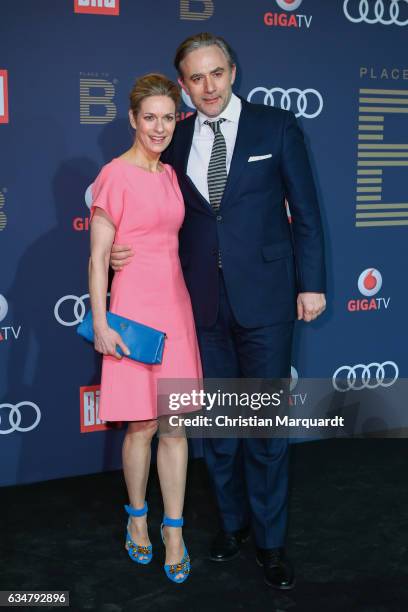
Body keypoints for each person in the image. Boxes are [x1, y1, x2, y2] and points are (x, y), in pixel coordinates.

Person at [110, 33, 326, 590]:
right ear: (183, 85)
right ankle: (231, 526)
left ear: (233, 71)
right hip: (198, 304)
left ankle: (270, 542)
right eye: (196, 78)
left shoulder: (275, 126)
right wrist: (112, 246)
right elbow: (137, 200)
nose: (208, 87)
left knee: (264, 427)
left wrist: (313, 285)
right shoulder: (173, 140)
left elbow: (305, 212)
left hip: (269, 299)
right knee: (221, 429)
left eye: (217, 74)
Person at [89, 73, 202, 584]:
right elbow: (97, 258)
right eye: (149, 117)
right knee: (141, 426)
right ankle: (138, 518)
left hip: (175, 310)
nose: (159, 127)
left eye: (167, 118)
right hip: (132, 313)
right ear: (133, 119)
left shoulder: (170, 175)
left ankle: (173, 530)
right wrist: (99, 320)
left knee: (176, 427)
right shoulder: (114, 174)